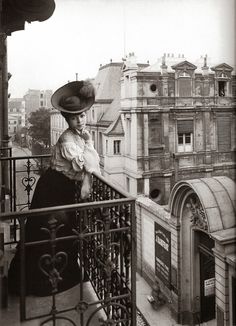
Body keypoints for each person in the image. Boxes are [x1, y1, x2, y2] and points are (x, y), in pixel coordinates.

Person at [8, 80, 100, 296]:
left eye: (83, 116)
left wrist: (87, 172)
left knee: (61, 231)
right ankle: (41, 281)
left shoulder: (80, 136)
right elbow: (88, 164)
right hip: (53, 189)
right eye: (75, 117)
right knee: (47, 231)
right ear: (68, 119)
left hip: (63, 189)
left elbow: (92, 163)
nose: (80, 120)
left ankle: (60, 274)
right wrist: (87, 176)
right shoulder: (68, 140)